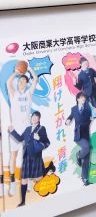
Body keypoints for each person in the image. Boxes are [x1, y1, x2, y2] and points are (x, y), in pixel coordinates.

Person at [5, 67, 37, 197]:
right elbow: (8, 83)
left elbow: (36, 79)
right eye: (20, 81)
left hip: (27, 129)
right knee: (13, 156)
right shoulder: (14, 94)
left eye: (24, 80)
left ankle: (28, 180)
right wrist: (16, 73)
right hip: (15, 129)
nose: (21, 82)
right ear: (18, 83)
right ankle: (13, 182)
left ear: (26, 83)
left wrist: (28, 69)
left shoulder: (28, 94)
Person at [7, 111, 50, 207]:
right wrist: (12, 131)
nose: (34, 118)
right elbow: (19, 139)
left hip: (36, 157)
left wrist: (39, 138)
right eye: (33, 116)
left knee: (39, 178)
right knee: (24, 179)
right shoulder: (27, 129)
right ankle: (23, 202)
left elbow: (47, 142)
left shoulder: (42, 129)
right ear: (31, 118)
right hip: (26, 156)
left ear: (39, 119)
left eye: (36, 117)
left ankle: (44, 198)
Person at [65, 92, 96, 186]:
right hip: (78, 135)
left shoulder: (88, 108)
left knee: (87, 157)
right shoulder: (74, 109)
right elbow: (71, 117)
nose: (84, 99)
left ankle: (85, 179)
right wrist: (67, 121)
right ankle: (79, 155)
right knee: (87, 148)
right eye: (82, 97)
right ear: (78, 99)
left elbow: (95, 114)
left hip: (86, 134)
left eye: (85, 98)